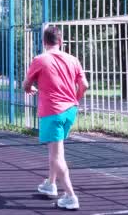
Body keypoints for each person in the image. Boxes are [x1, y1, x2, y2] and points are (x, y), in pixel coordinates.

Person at [23, 26, 88, 210]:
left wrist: (29, 89)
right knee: (55, 149)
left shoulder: (40, 60)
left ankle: (70, 195)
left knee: (57, 155)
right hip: (70, 111)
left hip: (52, 111)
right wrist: (75, 99)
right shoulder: (73, 59)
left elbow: (26, 84)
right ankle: (50, 184)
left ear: (44, 42)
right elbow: (84, 84)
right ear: (60, 41)